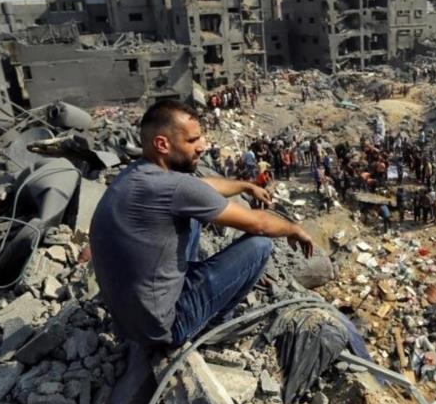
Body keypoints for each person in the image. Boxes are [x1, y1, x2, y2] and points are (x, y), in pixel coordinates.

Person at [90, 100, 314, 353]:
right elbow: (260, 224)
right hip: (165, 329)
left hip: (128, 322)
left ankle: (193, 293)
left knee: (194, 218)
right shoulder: (174, 188)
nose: (202, 147)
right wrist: (295, 228)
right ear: (163, 144)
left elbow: (202, 188)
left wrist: (245, 185)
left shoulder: (138, 174)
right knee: (260, 245)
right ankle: (214, 326)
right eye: (192, 140)